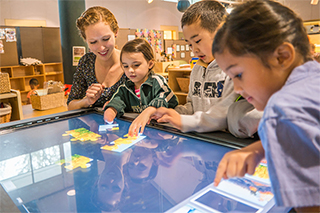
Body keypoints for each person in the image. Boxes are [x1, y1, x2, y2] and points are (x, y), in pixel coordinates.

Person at [211, 0, 320, 211]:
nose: (236, 89)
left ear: (282, 56)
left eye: (238, 74)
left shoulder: (281, 111)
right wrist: (262, 148)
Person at [151, 0, 262, 138]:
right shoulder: (197, 68)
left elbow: (223, 114)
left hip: (225, 140)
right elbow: (192, 105)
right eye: (190, 45)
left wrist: (184, 121)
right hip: (201, 137)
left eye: (197, 41)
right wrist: (172, 113)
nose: (194, 51)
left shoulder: (234, 68)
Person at [103, 38, 178, 136]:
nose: (130, 70)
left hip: (161, 132)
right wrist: (111, 110)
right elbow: (117, 100)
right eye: (125, 66)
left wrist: (149, 111)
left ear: (150, 64)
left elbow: (165, 97)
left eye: (136, 65)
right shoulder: (125, 87)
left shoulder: (156, 81)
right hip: (139, 132)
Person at [67, 6, 126, 110]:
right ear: (85, 40)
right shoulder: (86, 62)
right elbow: (71, 105)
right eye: (93, 42)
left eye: (106, 39)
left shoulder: (131, 62)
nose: (101, 48)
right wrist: (87, 101)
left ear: (116, 32)